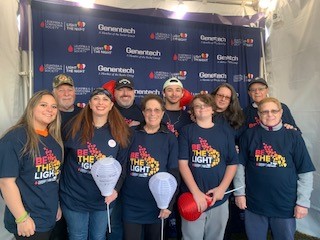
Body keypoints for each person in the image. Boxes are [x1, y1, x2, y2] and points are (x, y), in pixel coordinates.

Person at [233, 97, 315, 240]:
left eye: (274, 111)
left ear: (281, 112)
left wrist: (303, 202)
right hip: (254, 203)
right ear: (258, 114)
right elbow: (240, 167)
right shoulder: (249, 135)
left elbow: (305, 171)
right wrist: (240, 193)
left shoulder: (294, 136)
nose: (270, 115)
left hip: (285, 203)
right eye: (264, 112)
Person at [59, 88, 131, 240]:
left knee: (98, 236)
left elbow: (123, 165)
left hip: (103, 200)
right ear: (90, 104)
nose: (100, 103)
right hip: (74, 197)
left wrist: (116, 190)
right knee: (77, 236)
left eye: (105, 99)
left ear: (111, 105)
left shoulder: (120, 131)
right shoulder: (72, 128)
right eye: (96, 99)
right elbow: (60, 161)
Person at [0, 90, 63, 240]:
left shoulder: (54, 141)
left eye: (54, 106)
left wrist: (56, 205)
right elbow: (5, 182)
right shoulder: (15, 138)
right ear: (32, 107)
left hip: (49, 216)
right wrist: (21, 218)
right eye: (43, 105)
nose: (50, 110)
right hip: (29, 220)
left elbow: (52, 179)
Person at [178, 94, 238, 240]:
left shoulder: (225, 132)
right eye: (197, 106)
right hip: (192, 198)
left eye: (205, 105)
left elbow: (232, 163)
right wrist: (196, 193)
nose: (202, 108)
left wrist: (222, 189)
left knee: (216, 237)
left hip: (218, 198)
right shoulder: (186, 131)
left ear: (213, 110)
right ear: (192, 111)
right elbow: (183, 164)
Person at [121, 94, 179, 240]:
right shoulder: (131, 134)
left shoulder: (169, 137)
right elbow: (122, 165)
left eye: (157, 110)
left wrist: (168, 204)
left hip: (158, 204)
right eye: (148, 110)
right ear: (143, 112)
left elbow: (174, 172)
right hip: (131, 203)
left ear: (162, 113)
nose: (152, 114)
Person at [107, 77, 144, 240]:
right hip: (111, 175)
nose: (125, 93)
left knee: (136, 222)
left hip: (136, 174)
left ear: (134, 92)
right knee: (113, 221)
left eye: (128, 89)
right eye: (121, 89)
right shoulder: (107, 110)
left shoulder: (143, 113)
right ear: (114, 93)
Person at [51, 73, 82, 240]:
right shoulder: (48, 114)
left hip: (76, 179)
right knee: (58, 225)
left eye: (69, 90)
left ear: (75, 92)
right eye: (61, 90)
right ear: (54, 92)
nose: (66, 94)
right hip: (52, 177)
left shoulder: (85, 114)